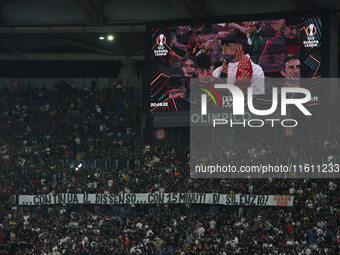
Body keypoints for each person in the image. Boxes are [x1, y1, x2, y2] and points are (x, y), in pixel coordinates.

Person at [213, 29, 265, 94]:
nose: (224, 48)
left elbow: (257, 98)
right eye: (223, 45)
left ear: (240, 47)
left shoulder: (255, 70)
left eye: (228, 45)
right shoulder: (218, 71)